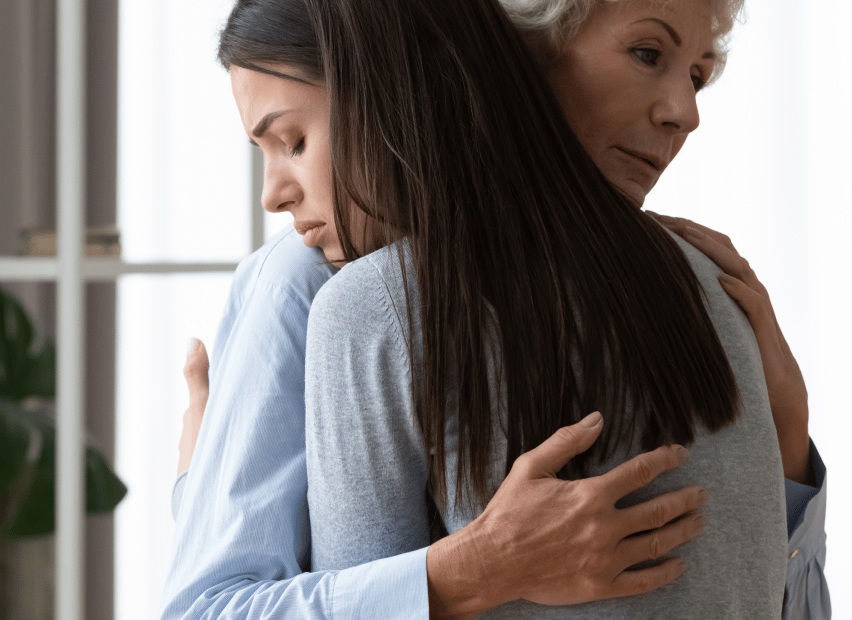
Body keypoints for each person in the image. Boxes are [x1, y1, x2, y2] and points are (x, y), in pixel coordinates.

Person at [162, 0, 828, 619]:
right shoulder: (325, 283)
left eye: (295, 140)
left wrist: (789, 434)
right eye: (649, 53)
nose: (685, 112)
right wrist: (467, 570)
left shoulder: (368, 303)